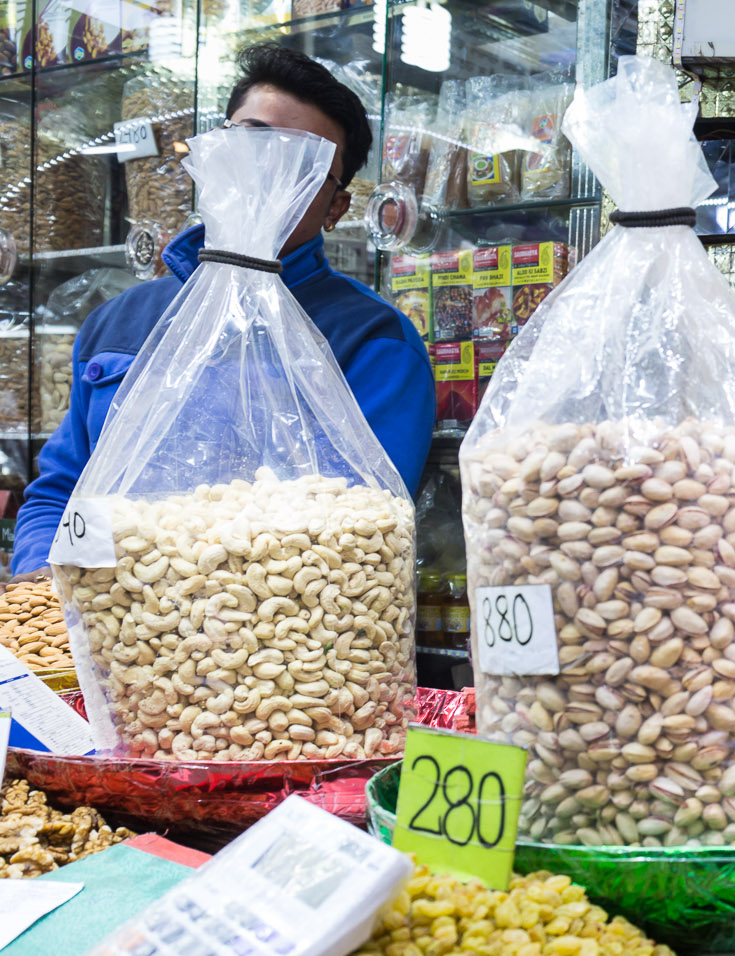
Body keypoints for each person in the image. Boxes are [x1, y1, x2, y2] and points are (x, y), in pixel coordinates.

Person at [10, 43, 434, 573]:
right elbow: (60, 495)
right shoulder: (117, 323)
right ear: (208, 154)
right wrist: (53, 604)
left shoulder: (374, 343)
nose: (264, 169)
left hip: (264, 639)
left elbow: (356, 533)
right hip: (108, 625)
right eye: (250, 140)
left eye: (300, 162)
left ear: (336, 208)